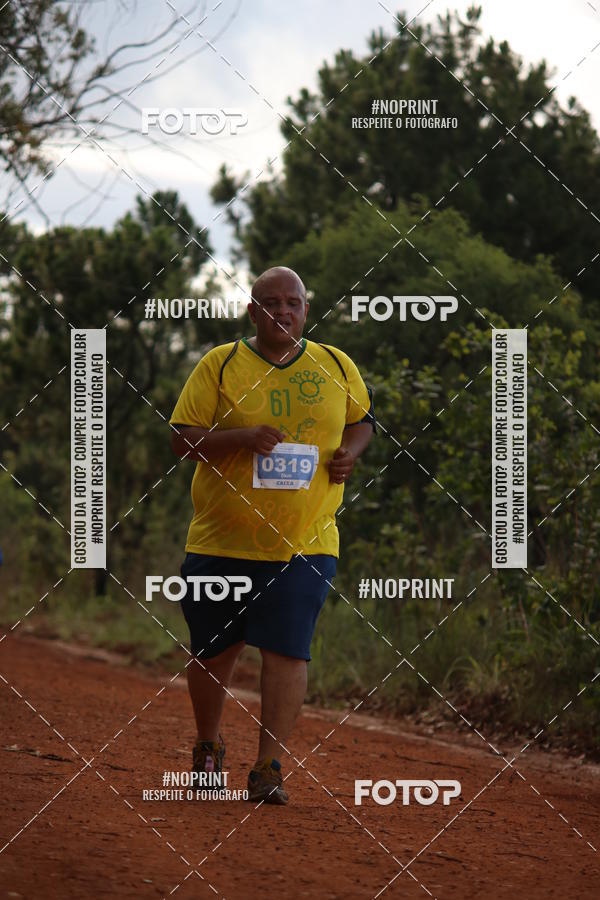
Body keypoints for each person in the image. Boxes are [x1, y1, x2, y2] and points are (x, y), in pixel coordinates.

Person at [169, 266, 375, 804]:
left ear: (306, 309)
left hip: (306, 540)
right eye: (270, 302)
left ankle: (268, 767)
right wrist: (241, 438)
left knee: (288, 653)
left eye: (293, 302)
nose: (283, 311)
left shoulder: (335, 364)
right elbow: (182, 439)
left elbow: (363, 422)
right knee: (214, 652)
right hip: (220, 541)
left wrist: (348, 455)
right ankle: (208, 747)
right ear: (252, 310)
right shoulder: (220, 364)